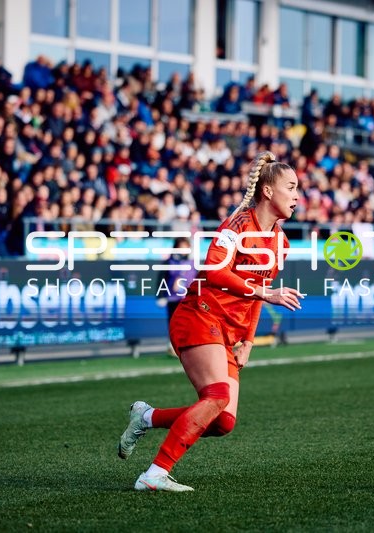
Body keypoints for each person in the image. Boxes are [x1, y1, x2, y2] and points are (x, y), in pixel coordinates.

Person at [118, 151, 304, 492]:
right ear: (267, 191)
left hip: (227, 331)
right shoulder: (236, 226)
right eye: (291, 187)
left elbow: (257, 292)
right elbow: (213, 270)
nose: (297, 195)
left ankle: (147, 417)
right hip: (197, 314)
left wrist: (248, 339)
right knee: (217, 395)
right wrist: (264, 294)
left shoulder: (281, 242)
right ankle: (154, 473)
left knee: (223, 422)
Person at [156, 236, 195, 356]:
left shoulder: (193, 262)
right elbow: (162, 278)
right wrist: (160, 295)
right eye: (181, 247)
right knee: (173, 323)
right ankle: (173, 346)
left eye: (185, 247)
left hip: (187, 298)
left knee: (188, 323)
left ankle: (187, 346)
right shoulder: (169, 261)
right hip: (172, 298)